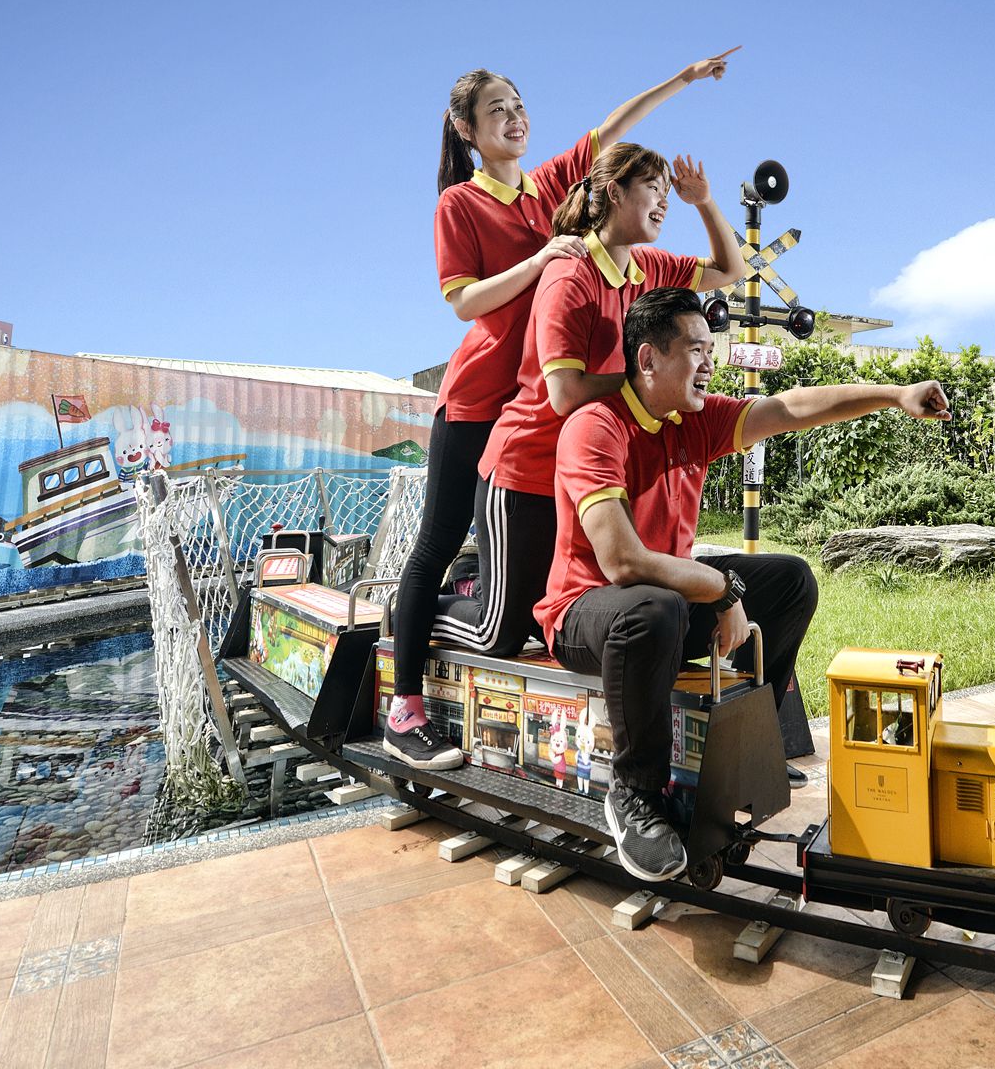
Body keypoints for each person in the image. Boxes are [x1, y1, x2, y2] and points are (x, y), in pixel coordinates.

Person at [384, 51, 739, 770]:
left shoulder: (548, 188)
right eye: (496, 111)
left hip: (543, 406)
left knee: (535, 584)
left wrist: (683, 79)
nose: (515, 118)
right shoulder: (461, 204)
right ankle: (406, 703)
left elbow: (612, 128)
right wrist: (542, 259)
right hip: (480, 403)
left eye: (519, 104)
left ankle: (483, 592)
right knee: (437, 541)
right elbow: (462, 301)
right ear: (464, 129)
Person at [537, 288, 950, 881]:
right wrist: (722, 589)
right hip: (586, 614)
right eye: (697, 350)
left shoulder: (694, 422)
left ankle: (741, 750)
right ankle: (632, 794)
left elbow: (790, 409)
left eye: (713, 349)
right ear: (649, 359)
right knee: (653, 608)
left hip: (667, 607)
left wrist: (894, 395)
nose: (710, 363)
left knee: (790, 580)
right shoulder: (596, 428)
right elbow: (622, 562)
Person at [427, 144, 747, 665]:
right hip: (523, 470)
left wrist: (704, 201)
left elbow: (728, 269)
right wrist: (646, 385)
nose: (664, 202)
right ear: (614, 192)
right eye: (653, 189)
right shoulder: (570, 273)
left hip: (576, 475)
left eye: (668, 192)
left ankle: (478, 578)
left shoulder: (647, 268)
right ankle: (425, 604)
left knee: (549, 614)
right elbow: (565, 393)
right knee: (500, 635)